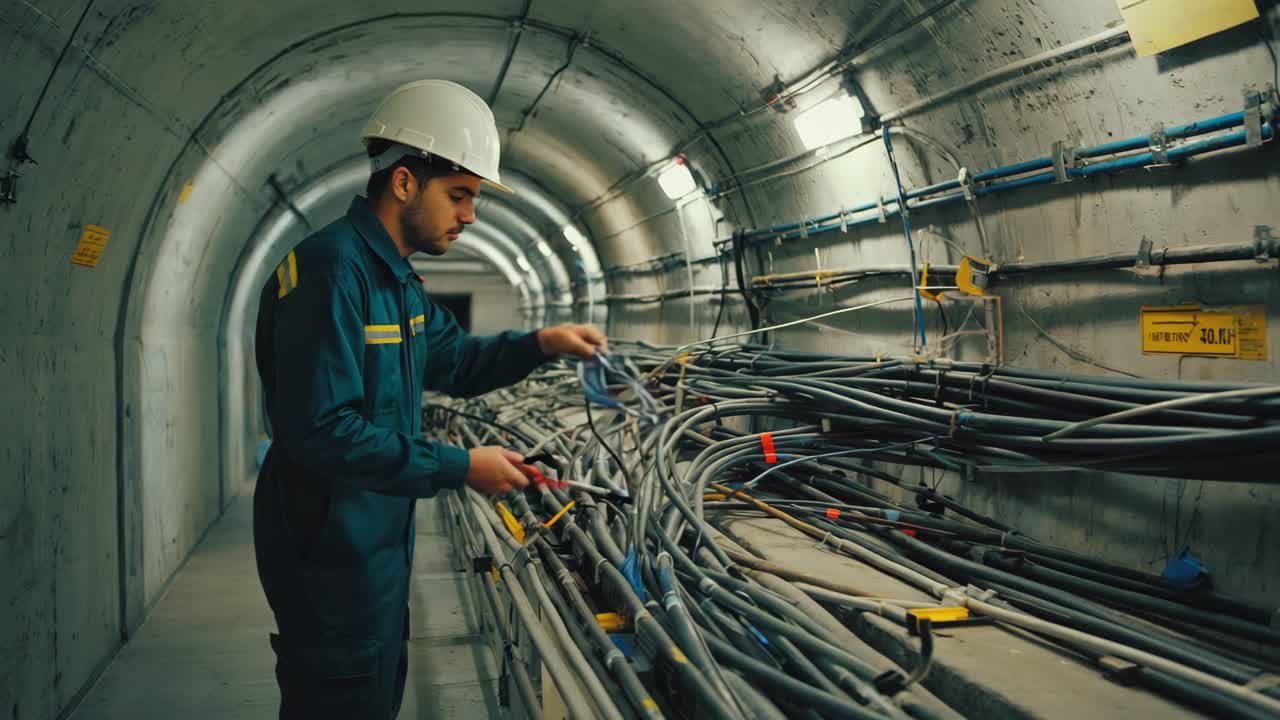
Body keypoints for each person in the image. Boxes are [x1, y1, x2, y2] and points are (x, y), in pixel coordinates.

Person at [253, 79, 605, 719]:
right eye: (460, 194)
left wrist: (543, 342)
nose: (470, 214)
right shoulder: (333, 272)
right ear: (405, 182)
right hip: (328, 532)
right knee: (338, 695)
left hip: (374, 530)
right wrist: (460, 467)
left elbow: (459, 361)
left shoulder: (398, 283)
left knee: (374, 687)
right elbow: (322, 430)